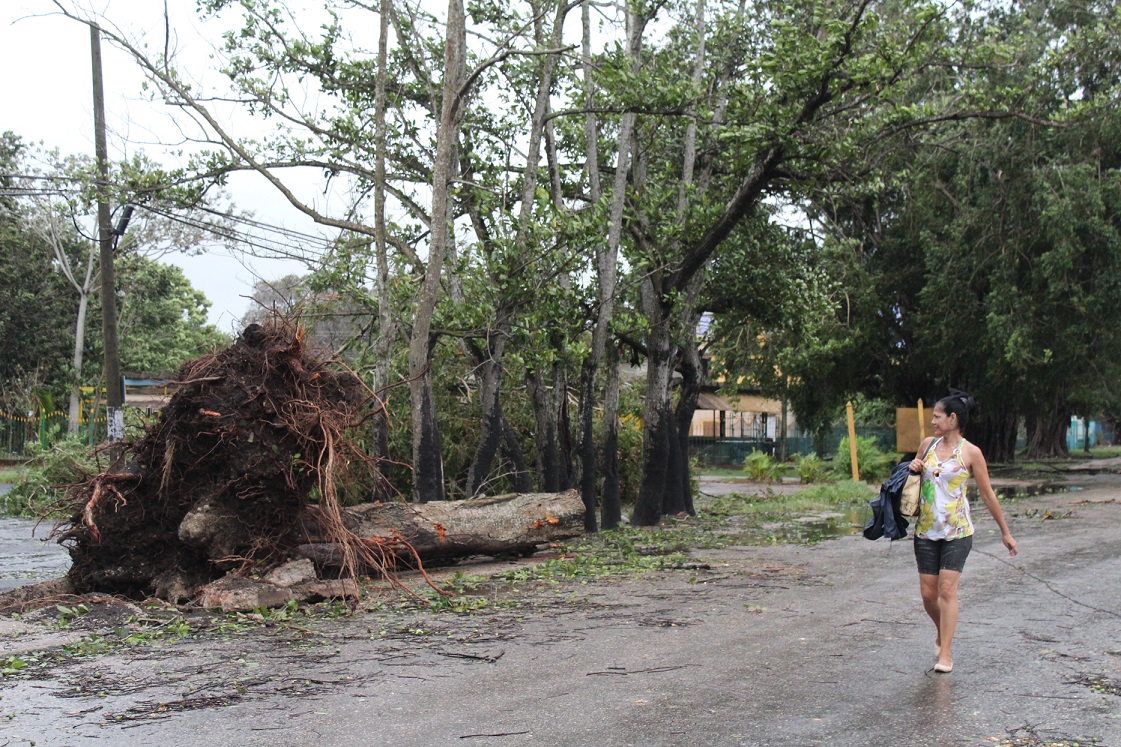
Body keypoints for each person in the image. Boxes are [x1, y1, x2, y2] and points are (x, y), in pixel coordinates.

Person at [908, 390, 1018, 673]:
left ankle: (945, 655)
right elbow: (912, 478)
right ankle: (941, 631)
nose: (932, 421)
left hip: (958, 531)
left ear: (953, 418)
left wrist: (1005, 532)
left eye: (937, 416)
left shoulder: (971, 453)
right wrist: (913, 466)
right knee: (928, 595)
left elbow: (988, 494)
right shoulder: (928, 445)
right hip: (925, 530)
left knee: (947, 589)